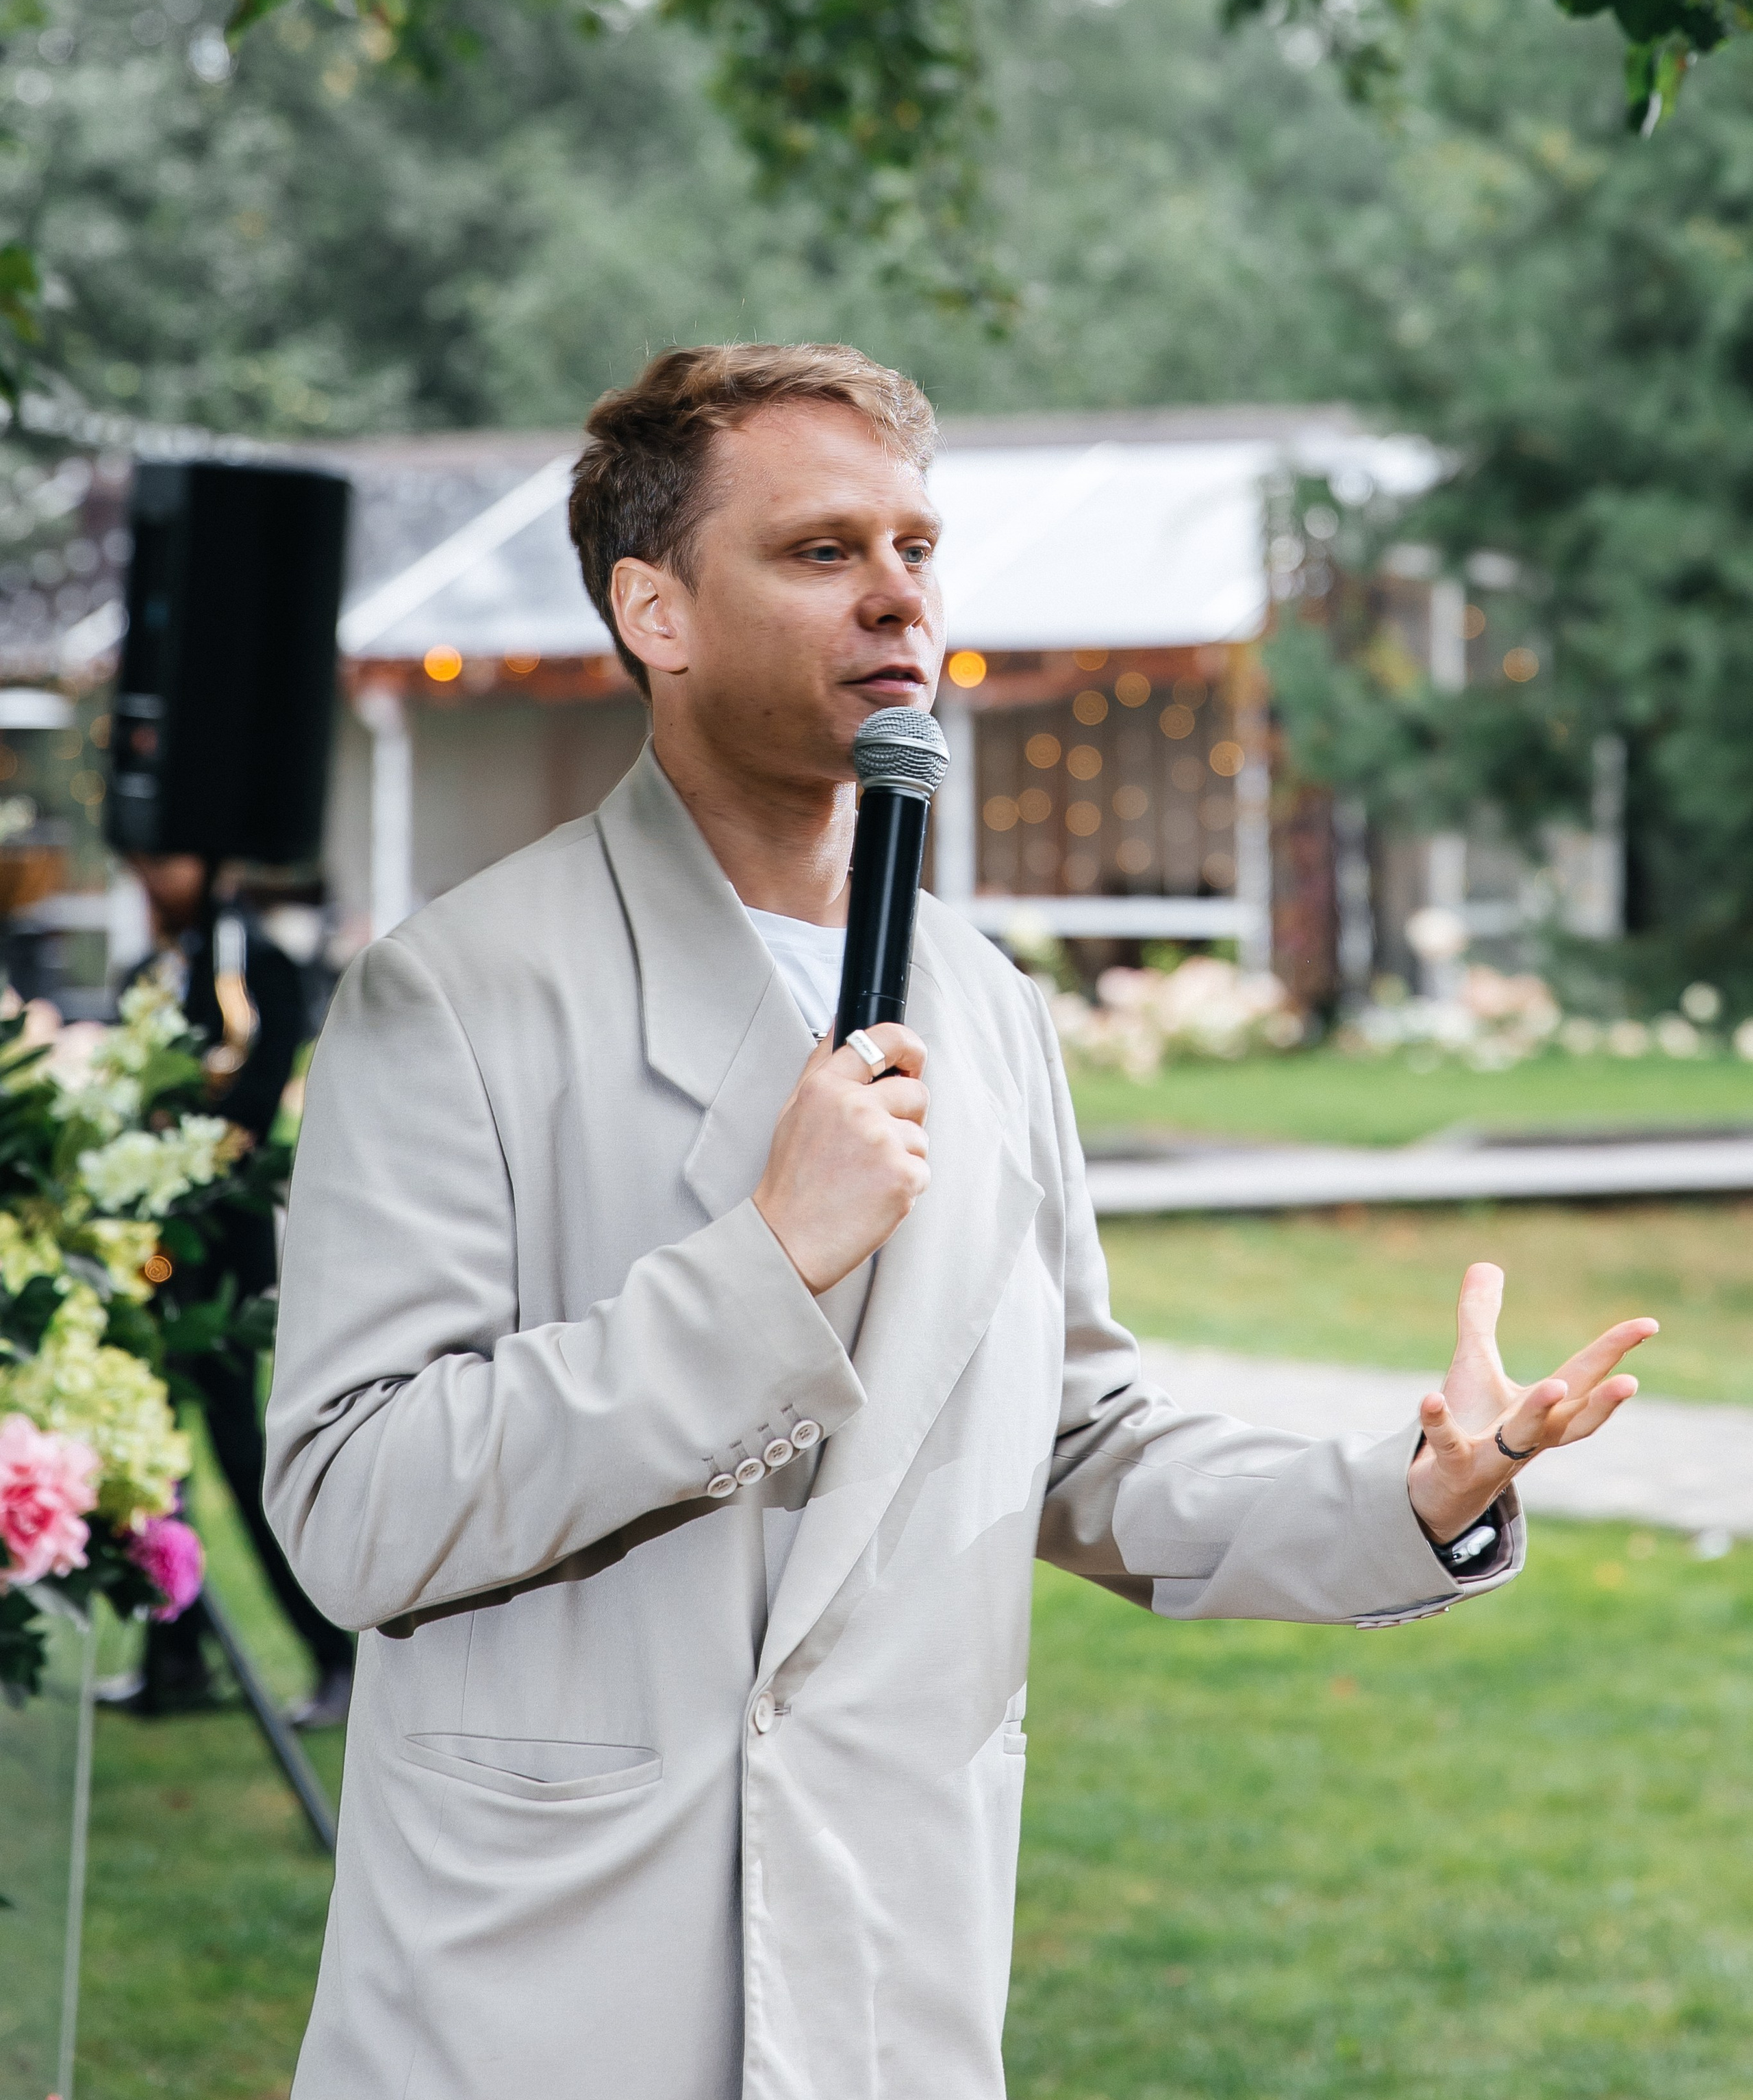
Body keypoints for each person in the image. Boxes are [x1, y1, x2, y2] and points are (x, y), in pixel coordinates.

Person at [265, 344, 1656, 2100]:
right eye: (822, 548)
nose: (897, 591)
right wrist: (766, 1264)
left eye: (916, 544)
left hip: (884, 1977)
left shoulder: (983, 1005)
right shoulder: (450, 995)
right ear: (654, 609)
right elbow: (354, 1509)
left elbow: (1076, 1443)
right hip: (537, 1984)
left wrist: (1410, 1491)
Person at [105, 855, 354, 1726]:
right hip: (152, 1252)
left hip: (224, 1259)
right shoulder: (147, 970)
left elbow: (256, 1097)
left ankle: (334, 1654)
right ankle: (172, 1655)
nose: (147, 875)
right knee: (151, 1463)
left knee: (241, 1455)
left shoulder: (261, 967)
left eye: (166, 858)